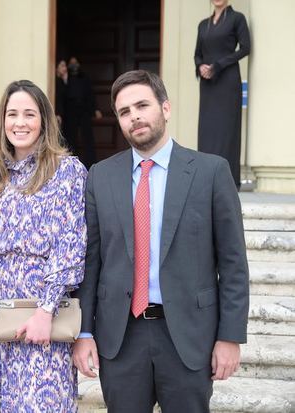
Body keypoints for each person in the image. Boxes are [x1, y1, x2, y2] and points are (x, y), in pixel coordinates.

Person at [73, 70, 250, 413]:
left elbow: (233, 263)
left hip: (187, 336)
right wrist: (83, 332)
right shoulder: (100, 176)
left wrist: (230, 337)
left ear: (165, 109)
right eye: (124, 112)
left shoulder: (210, 172)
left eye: (142, 105)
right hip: (121, 338)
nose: (134, 116)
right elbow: (90, 262)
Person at [0, 80, 87, 412]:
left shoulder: (67, 171)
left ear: (44, 121)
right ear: (2, 121)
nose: (19, 123)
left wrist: (45, 309)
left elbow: (71, 243)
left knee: (39, 398)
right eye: (12, 114)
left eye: (29, 114)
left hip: (40, 300)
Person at [194, 0, 250, 188]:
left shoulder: (237, 19)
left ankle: (228, 180)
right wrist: (200, 65)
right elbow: (197, 53)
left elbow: (245, 48)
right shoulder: (203, 24)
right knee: (207, 129)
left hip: (227, 81)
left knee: (227, 130)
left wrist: (218, 65)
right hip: (208, 83)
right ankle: (206, 178)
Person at [61, 56, 102, 169]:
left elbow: (90, 95)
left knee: (88, 138)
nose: (74, 65)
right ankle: (69, 164)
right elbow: (61, 95)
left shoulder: (84, 77)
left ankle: (91, 164)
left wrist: (96, 109)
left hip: (84, 110)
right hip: (70, 111)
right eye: (71, 63)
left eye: (76, 62)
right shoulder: (65, 78)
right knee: (70, 138)